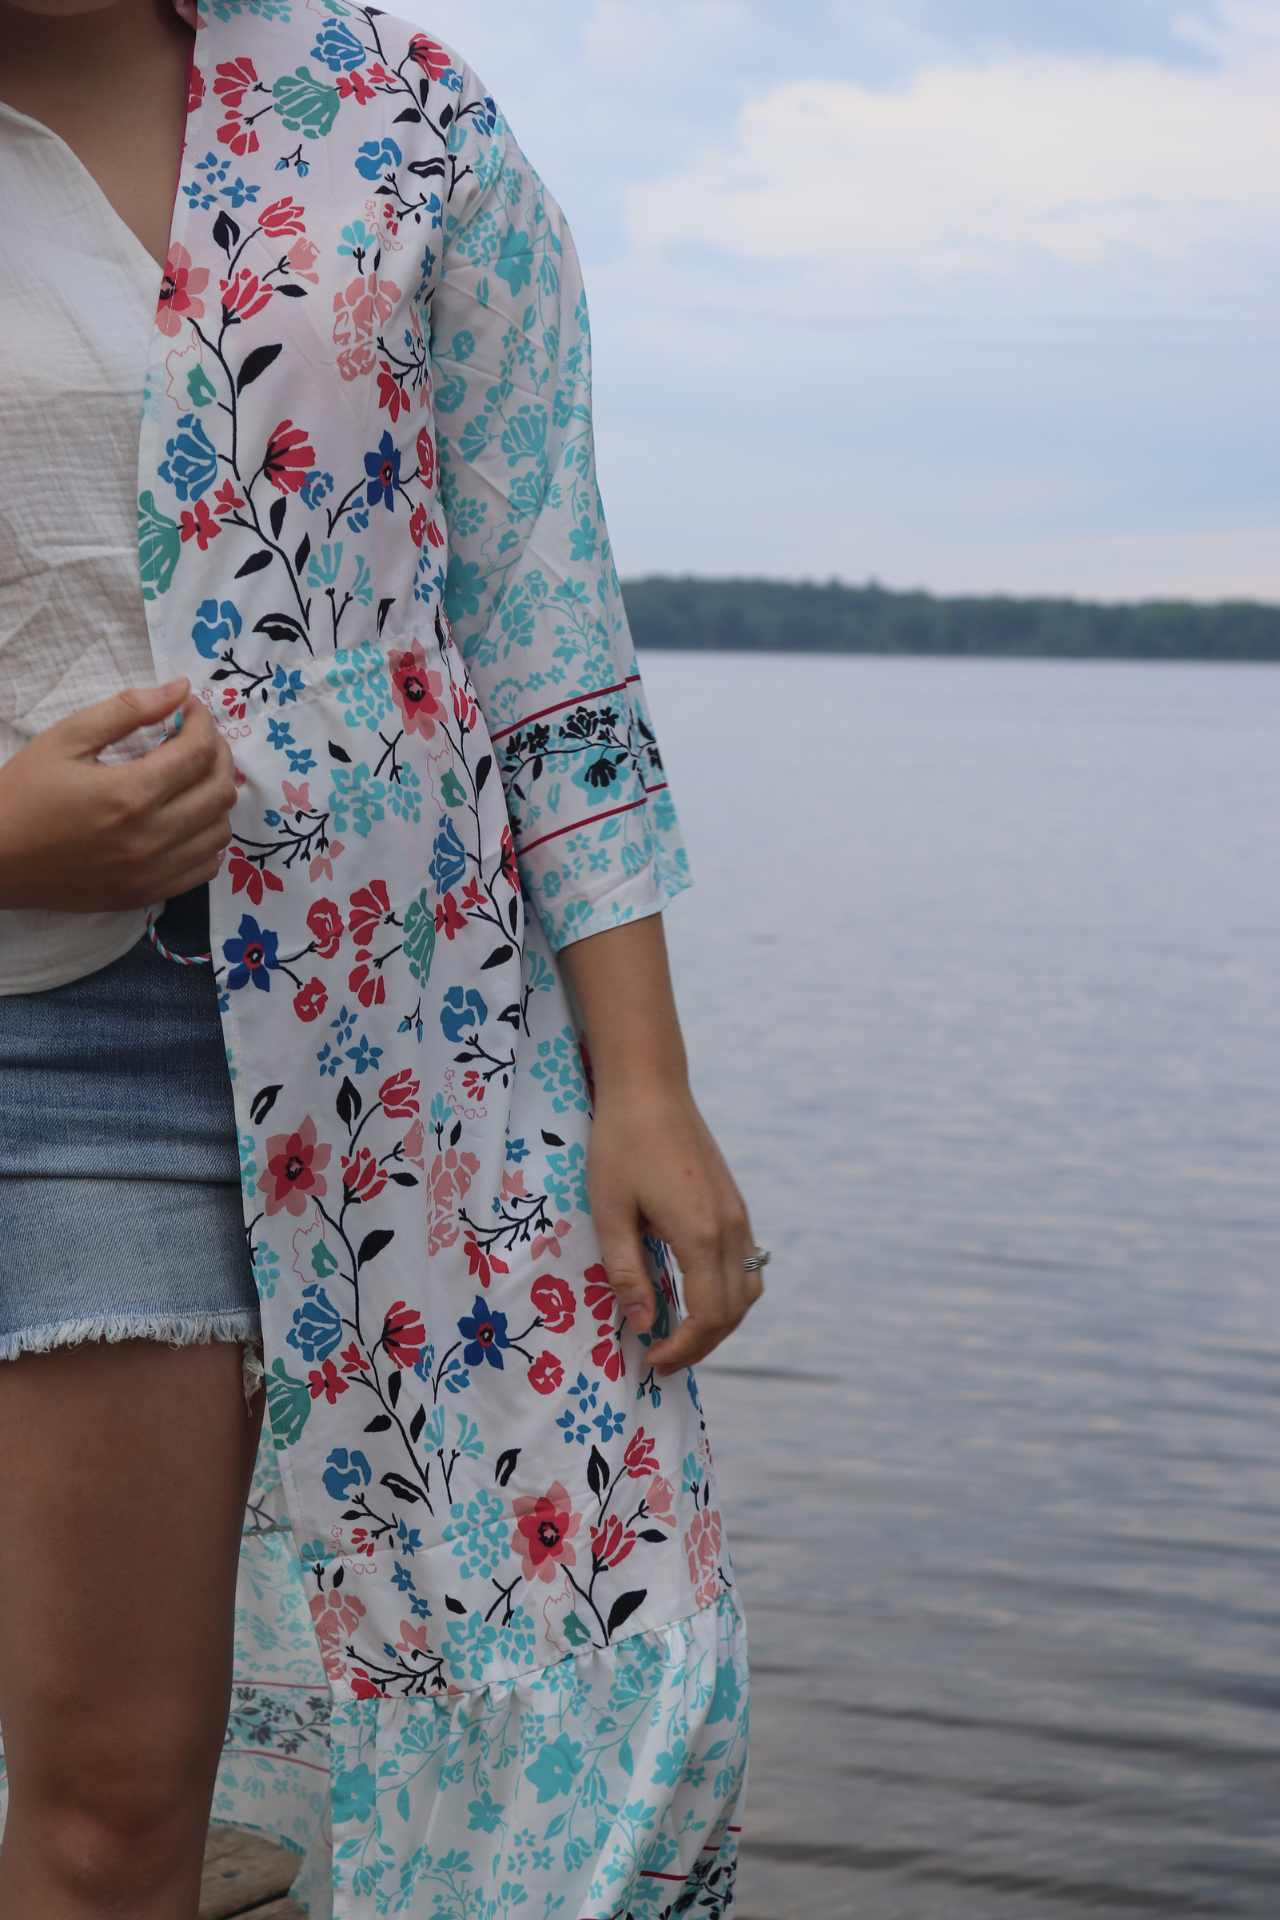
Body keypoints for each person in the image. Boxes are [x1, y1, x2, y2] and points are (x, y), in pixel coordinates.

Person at [0, 2, 765, 1916]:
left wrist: (643, 1082)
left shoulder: (394, 112)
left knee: (615, 1650)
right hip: (54, 1047)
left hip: (421, 1049)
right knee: (113, 1801)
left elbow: (544, 611)